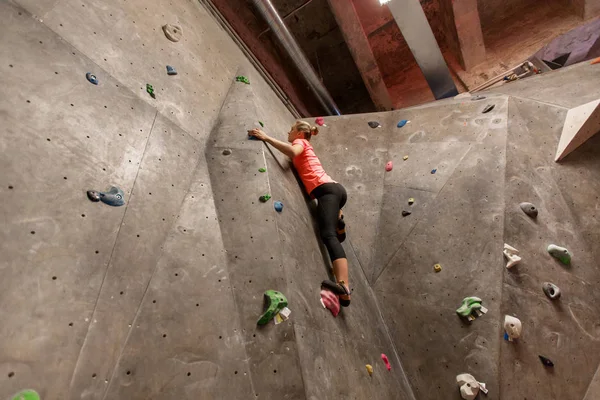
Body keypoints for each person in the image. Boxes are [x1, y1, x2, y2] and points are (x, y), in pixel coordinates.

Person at [249, 121, 351, 307]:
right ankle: (339, 220)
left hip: (326, 191)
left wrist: (266, 137)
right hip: (335, 191)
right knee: (332, 231)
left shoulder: (301, 144)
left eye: (291, 130)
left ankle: (344, 287)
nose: (288, 132)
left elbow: (293, 152)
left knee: (328, 236)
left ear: (300, 134)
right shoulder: (307, 147)